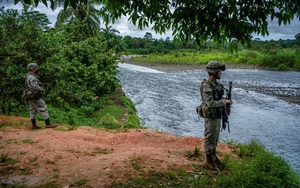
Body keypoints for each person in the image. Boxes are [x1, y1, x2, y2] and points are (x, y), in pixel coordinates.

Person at [200, 61, 232, 170]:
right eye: (219, 71)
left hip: (217, 116)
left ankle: (213, 156)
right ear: (213, 72)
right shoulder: (206, 86)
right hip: (210, 116)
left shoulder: (217, 85)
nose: (220, 73)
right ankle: (208, 160)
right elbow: (210, 103)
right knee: (209, 137)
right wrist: (225, 102)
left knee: (215, 137)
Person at [25, 63, 57, 129]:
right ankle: (48, 124)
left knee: (32, 110)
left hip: (31, 95)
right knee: (43, 108)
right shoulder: (32, 77)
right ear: (33, 69)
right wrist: (41, 89)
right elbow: (34, 86)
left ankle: (34, 125)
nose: (37, 69)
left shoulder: (28, 76)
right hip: (35, 95)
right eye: (36, 68)